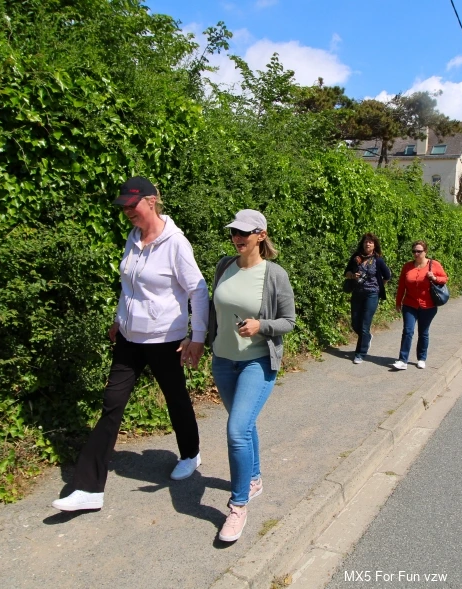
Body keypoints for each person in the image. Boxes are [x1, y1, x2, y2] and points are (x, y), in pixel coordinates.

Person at [53, 177, 209, 512]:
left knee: (175, 397)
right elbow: (129, 286)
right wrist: (119, 318)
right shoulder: (134, 238)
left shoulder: (175, 243)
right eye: (123, 206)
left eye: (132, 205)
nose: (127, 211)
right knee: (112, 403)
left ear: (152, 201)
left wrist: (197, 337)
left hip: (164, 338)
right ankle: (89, 489)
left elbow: (197, 289)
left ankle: (190, 453)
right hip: (129, 337)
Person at [208, 209, 296, 542]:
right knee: (244, 426)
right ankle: (254, 479)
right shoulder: (223, 266)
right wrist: (198, 340)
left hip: (256, 363)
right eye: (234, 232)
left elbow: (289, 321)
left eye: (244, 233)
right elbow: (213, 310)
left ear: (261, 235)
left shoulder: (274, 275)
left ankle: (238, 505)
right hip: (223, 362)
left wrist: (262, 326)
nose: (237, 238)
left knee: (236, 430)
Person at [392, 241, 448, 370]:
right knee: (408, 331)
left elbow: (445, 279)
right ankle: (402, 360)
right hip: (409, 304)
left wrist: (434, 278)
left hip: (428, 306)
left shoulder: (434, 265)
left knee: (423, 332)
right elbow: (401, 286)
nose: (416, 254)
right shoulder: (407, 266)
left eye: (419, 251)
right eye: (414, 251)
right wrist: (398, 302)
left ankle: (421, 358)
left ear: (425, 252)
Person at [344, 233, 392, 364]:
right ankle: (367, 337)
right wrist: (352, 275)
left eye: (370, 242)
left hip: (372, 294)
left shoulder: (378, 260)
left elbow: (387, 276)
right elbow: (346, 272)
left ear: (374, 245)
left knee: (365, 325)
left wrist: (379, 286)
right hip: (357, 293)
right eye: (366, 241)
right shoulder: (356, 257)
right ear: (363, 244)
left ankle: (360, 353)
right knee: (355, 323)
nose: (368, 244)